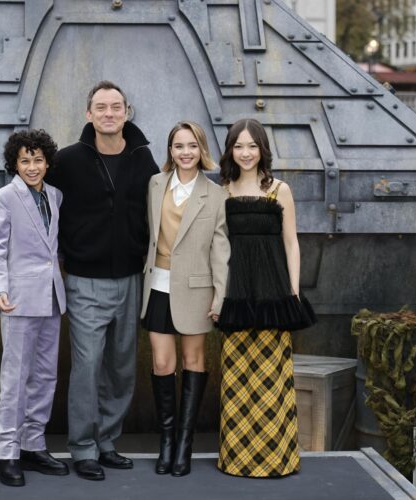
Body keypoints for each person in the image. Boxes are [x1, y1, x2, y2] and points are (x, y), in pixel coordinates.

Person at [46, 81, 159, 481]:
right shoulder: (67, 160)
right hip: (85, 280)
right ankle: (82, 448)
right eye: (101, 107)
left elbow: (155, 212)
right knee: (88, 365)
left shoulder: (144, 160)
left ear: (126, 112)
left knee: (122, 366)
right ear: (88, 114)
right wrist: (59, 257)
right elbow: (47, 211)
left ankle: (107, 441)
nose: (109, 113)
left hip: (131, 278)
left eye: (116, 107)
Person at [215, 118, 316, 477]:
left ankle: (278, 459)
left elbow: (291, 243)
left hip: (274, 292)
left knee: (274, 379)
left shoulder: (279, 189)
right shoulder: (221, 189)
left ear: (262, 149)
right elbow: (217, 246)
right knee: (238, 379)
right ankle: (238, 459)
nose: (245, 153)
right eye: (238, 146)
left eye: (252, 146)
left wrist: (293, 291)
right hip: (236, 292)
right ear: (230, 149)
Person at [141, 121, 229, 476]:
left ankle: (184, 445)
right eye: (179, 146)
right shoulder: (156, 184)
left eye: (192, 145)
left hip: (196, 289)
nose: (186, 152)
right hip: (157, 286)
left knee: (193, 361)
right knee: (162, 364)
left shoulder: (216, 193)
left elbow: (220, 251)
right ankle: (166, 440)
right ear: (170, 151)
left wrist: (221, 296)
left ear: (202, 149)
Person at [0, 129, 69, 487]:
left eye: (37, 160)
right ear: (14, 164)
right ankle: (8, 452)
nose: (32, 167)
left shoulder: (56, 195)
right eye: (24, 161)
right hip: (18, 298)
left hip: (51, 296)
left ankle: (33, 444)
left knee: (45, 375)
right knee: (15, 378)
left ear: (47, 162)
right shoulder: (4, 198)